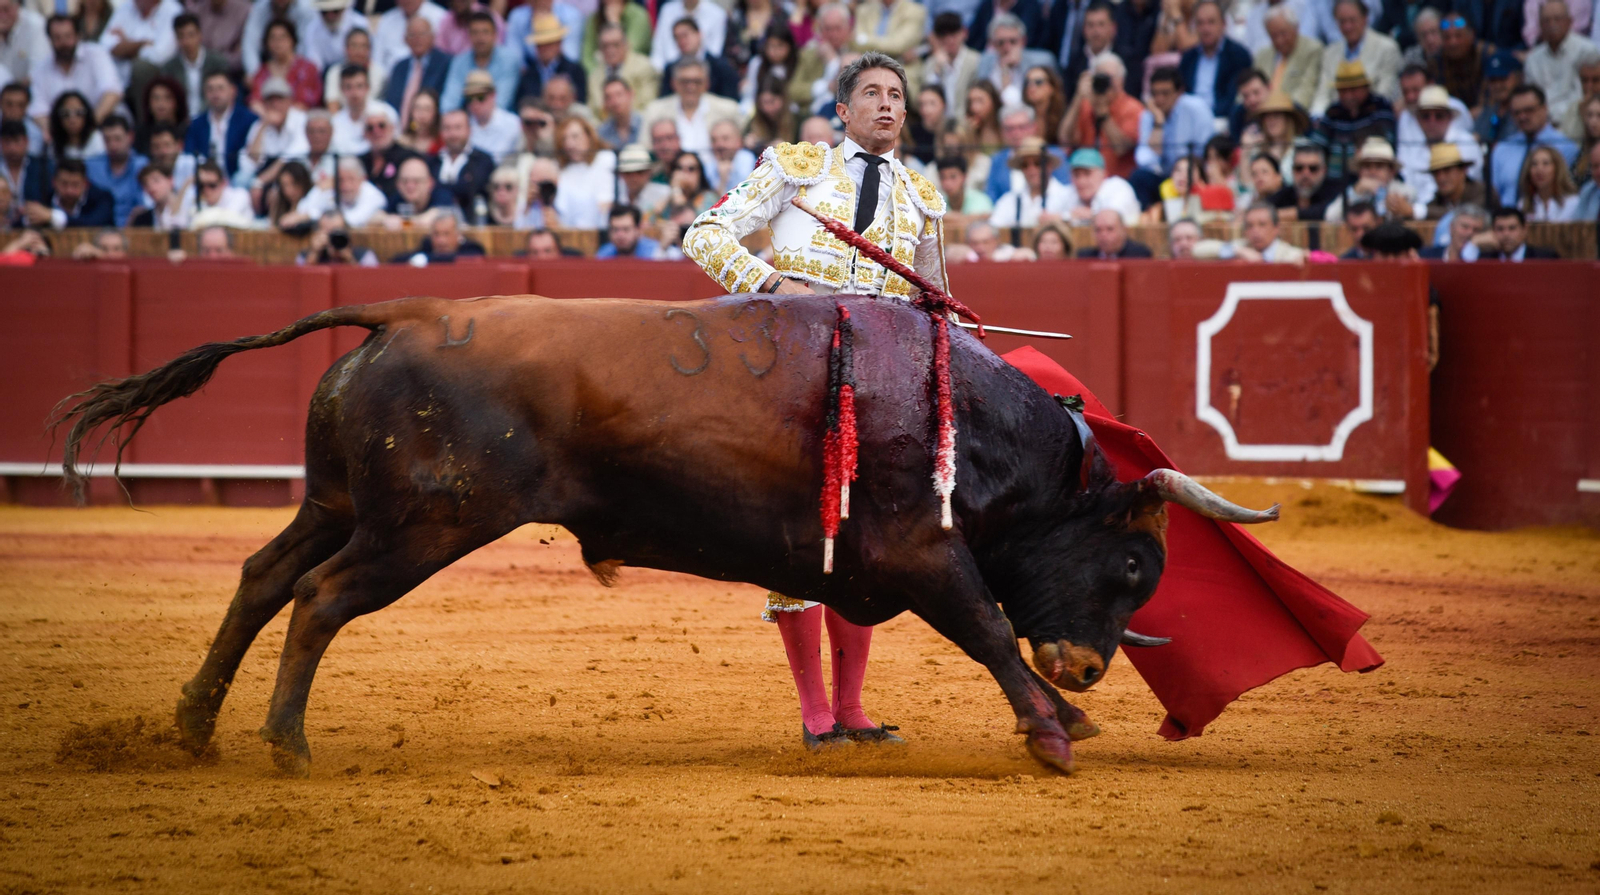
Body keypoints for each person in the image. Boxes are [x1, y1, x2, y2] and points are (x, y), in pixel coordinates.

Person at [683, 51, 949, 749]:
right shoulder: (797, 168)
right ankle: (815, 713)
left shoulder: (923, 199)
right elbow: (703, 234)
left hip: (881, 387)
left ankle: (853, 708)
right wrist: (773, 285)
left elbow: (933, 304)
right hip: (795, 374)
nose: (887, 104)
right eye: (873, 93)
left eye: (896, 94)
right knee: (803, 535)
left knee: (864, 542)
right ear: (842, 110)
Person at [1130, 66, 1214, 208]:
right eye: (1155, 94)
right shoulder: (1149, 115)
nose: (1159, 99)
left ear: (1179, 92)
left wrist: (1184, 172)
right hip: (1166, 176)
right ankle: (1149, 217)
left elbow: (1207, 151)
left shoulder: (1196, 109)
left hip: (1194, 174)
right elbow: (1144, 159)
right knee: (1139, 177)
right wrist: (1158, 123)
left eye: (1165, 93)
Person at [1490, 84, 1580, 208]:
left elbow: (1569, 189)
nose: (1522, 117)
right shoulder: (1502, 148)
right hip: (1506, 216)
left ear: (1545, 108)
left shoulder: (1566, 146)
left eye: (1529, 110)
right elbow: (1495, 193)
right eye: (1516, 113)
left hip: (1550, 216)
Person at [1307, 60, 1395, 182]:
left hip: (1371, 178)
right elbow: (1316, 146)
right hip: (1333, 182)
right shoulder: (1333, 112)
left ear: (1366, 88)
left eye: (1353, 90)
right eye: (1343, 91)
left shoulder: (1380, 107)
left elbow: (1386, 144)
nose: (1348, 96)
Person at [28, 14, 121, 126]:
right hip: (60, 132)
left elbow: (112, 93)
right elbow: (39, 111)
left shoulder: (96, 54)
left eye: (68, 36)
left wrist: (89, 127)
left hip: (100, 124)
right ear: (49, 40)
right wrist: (53, 132)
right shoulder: (41, 68)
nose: (63, 43)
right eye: (57, 38)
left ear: (78, 36)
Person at [1061, 54, 1142, 180]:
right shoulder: (1086, 105)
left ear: (1122, 80)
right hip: (1084, 179)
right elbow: (1065, 138)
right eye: (1100, 77)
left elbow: (1122, 149)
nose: (1106, 83)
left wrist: (1103, 114)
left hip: (1118, 180)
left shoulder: (1133, 108)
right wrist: (1078, 96)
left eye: (1110, 78)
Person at [1312, 0, 1400, 115]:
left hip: (1373, 116)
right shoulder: (1330, 53)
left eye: (1352, 20)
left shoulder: (1387, 48)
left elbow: (1385, 92)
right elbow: (1322, 94)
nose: (1347, 26)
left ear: (1365, 19)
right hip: (1335, 117)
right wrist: (1318, 115)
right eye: (1342, 21)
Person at [643, 56, 739, 154]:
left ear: (707, 83)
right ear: (673, 83)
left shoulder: (728, 110)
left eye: (697, 82)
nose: (691, 87)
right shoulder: (655, 111)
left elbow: (739, 147)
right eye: (685, 82)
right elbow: (645, 149)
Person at [1524, 0, 1596, 125]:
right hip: (1542, 124)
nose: (1552, 24)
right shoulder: (1532, 59)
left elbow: (1590, 95)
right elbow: (1531, 99)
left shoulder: (1587, 51)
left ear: (1569, 21)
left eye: (1557, 19)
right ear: (1540, 24)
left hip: (1578, 121)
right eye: (1546, 20)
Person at [1180, 0, 1253, 118]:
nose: (1205, 29)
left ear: (1223, 24)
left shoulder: (1238, 55)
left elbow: (1234, 97)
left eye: (1211, 22)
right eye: (1200, 23)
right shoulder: (1188, 57)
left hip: (1222, 118)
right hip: (1190, 118)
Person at [440, 10, 520, 114]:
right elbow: (449, 102)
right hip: (466, 118)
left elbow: (501, 103)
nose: (480, 38)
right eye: (475, 32)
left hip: (500, 119)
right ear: (469, 36)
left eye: (485, 32)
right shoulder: (459, 61)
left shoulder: (509, 60)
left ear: (495, 35)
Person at [184, 69, 258, 178]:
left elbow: (252, 158)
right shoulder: (196, 124)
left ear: (233, 91)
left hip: (237, 180)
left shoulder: (249, 120)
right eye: (210, 89)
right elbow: (190, 154)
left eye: (220, 88)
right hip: (205, 180)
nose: (215, 94)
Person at [239, 76, 309, 185]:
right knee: (240, 179)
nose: (275, 104)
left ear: (289, 101)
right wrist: (264, 124)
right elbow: (252, 160)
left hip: (295, 176)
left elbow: (292, 156)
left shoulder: (301, 119)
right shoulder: (259, 124)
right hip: (265, 174)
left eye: (280, 99)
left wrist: (260, 181)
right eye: (270, 100)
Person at [990, 135, 1073, 227]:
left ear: (1049, 166)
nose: (1031, 170)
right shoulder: (1009, 200)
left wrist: (1061, 218)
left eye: (1037, 163)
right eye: (1025, 165)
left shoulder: (1068, 196)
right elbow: (993, 227)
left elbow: (1081, 219)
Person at [975, 13, 1053, 109]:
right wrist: (1005, 70)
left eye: (1013, 41)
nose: (1007, 48)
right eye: (1001, 42)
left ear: (1023, 41)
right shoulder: (983, 62)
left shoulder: (1042, 61)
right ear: (993, 44)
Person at [384, 15, 451, 126]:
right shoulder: (399, 67)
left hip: (432, 128)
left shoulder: (445, 63)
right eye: (412, 35)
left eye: (422, 34)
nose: (417, 39)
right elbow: (390, 102)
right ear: (405, 39)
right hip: (398, 129)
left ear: (433, 37)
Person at [1255, 4, 1322, 111]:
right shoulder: (1262, 55)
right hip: (1262, 112)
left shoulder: (1312, 50)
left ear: (1296, 28)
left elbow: (1306, 90)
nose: (1279, 40)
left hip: (1293, 112)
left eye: (1283, 33)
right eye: (1273, 36)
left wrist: (1279, 111)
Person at [160, 13, 228, 116]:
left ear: (200, 35)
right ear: (176, 39)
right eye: (181, 36)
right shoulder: (169, 68)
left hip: (212, 116)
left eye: (191, 35)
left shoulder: (218, 62)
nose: (186, 41)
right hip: (181, 119)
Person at [1193, 200, 1307, 261]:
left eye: (1262, 225)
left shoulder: (1291, 255)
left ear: (1276, 228)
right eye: (1249, 226)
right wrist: (1238, 251)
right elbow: (1197, 249)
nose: (1255, 231)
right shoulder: (1240, 247)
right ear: (1245, 231)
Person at [431, 108, 493, 220]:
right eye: (447, 128)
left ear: (469, 130)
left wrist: (438, 188)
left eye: (458, 127)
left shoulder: (482, 160)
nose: (453, 134)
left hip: (471, 223)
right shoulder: (432, 161)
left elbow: (472, 190)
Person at [84, 114, 145, 225]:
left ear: (130, 137)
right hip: (96, 228)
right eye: (107, 140)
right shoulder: (90, 166)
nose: (112, 145)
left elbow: (145, 205)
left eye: (117, 139)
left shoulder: (143, 165)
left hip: (134, 229)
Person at [553, 114, 613, 227]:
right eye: (564, 139)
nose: (569, 144)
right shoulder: (561, 171)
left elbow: (607, 202)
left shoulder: (606, 159)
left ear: (589, 136)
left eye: (575, 136)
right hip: (571, 231)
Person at [250, 17, 322, 110]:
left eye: (282, 37)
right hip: (267, 116)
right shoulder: (262, 72)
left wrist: (281, 115)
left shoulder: (307, 68)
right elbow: (255, 100)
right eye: (273, 38)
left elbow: (306, 102)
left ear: (292, 40)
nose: (278, 42)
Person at [1427, 14, 1495, 111]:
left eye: (1458, 36)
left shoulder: (1487, 54)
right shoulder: (1435, 62)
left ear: (1471, 35)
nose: (1453, 42)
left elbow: (1490, 100)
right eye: (1447, 37)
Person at [659, 17, 737, 100]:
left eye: (685, 35)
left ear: (699, 34)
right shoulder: (670, 68)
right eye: (677, 37)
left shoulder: (722, 67)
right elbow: (665, 99)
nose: (681, 41)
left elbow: (729, 100)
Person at [1424, 143, 1488, 244]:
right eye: (1436, 173)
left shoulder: (1483, 192)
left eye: (1447, 170)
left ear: (1464, 171)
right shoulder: (1437, 200)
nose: (1441, 178)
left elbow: (1464, 213)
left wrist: (1417, 211)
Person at [588, 22, 654, 118]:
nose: (610, 50)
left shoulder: (644, 67)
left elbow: (648, 106)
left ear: (626, 44)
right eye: (605, 46)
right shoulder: (594, 76)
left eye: (615, 45)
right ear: (599, 49)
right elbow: (592, 112)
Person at [922, 12, 979, 121]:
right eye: (943, 35)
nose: (949, 39)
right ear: (936, 38)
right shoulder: (931, 63)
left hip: (968, 122)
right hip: (940, 124)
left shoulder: (975, 61)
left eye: (953, 33)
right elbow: (927, 96)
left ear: (964, 33)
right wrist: (937, 69)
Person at [22, 156, 111, 227]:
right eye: (64, 184)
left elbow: (94, 224)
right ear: (54, 182)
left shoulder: (102, 198)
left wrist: (52, 217)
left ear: (85, 184)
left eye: (75, 184)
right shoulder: (44, 197)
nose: (69, 190)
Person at [1061, 146, 1139, 225]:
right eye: (1076, 175)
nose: (1081, 181)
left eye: (1087, 174)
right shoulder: (1069, 192)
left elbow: (1112, 219)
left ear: (1104, 174)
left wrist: (1085, 215)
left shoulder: (1118, 187)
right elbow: (1053, 216)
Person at [305, 155, 388, 225]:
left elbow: (354, 221)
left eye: (351, 179)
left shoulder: (374, 196)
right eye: (341, 180)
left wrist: (315, 216)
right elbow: (304, 209)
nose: (345, 186)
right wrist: (319, 189)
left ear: (362, 179)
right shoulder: (332, 189)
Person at [373, 0, 445, 76]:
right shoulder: (386, 20)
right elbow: (377, 60)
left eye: (422, 34)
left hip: (429, 76)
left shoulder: (441, 17)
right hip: (389, 78)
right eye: (412, 35)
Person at [650, 0, 726, 72]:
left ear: (699, 34)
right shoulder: (667, 10)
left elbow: (715, 51)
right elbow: (659, 50)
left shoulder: (718, 14)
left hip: (705, 71)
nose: (682, 41)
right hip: (670, 70)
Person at [461, 68, 519, 160]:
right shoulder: (463, 127)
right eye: (470, 98)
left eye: (480, 97)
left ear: (493, 95)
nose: (475, 104)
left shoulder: (514, 125)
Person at [1462, 207, 1561, 260]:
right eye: (1500, 229)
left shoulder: (1544, 258)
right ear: (1492, 231)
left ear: (1524, 230)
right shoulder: (1485, 259)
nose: (1506, 234)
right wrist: (1473, 243)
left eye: (1512, 228)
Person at [393, 207, 484, 263]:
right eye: (436, 234)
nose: (441, 240)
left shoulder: (472, 249)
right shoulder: (427, 247)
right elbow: (396, 261)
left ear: (458, 235)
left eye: (446, 234)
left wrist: (427, 259)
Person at [325, 28, 385, 112]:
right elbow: (332, 105)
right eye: (354, 46)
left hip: (372, 116)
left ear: (370, 49)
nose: (359, 51)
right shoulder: (334, 72)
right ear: (346, 48)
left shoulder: (380, 73)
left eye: (363, 46)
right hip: (343, 117)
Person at [1518, 143, 1581, 220]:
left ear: (1557, 169)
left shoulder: (1572, 202)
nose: (1539, 170)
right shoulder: (1523, 205)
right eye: (1534, 164)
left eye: (1546, 163)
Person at [1474, 50, 1523, 143]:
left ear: (1518, 77)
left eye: (1502, 78)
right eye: (1493, 80)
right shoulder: (1487, 113)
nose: (1497, 85)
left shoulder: (1526, 112)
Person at [297, 209, 378, 265]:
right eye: (328, 233)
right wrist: (314, 253)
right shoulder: (304, 256)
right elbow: (301, 280)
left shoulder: (364, 256)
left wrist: (349, 259)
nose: (333, 237)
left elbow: (369, 280)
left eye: (337, 231)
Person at [612, 143, 668, 220]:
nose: (634, 178)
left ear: (649, 173)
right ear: (621, 175)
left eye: (639, 172)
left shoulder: (665, 194)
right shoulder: (615, 196)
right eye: (628, 173)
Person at [1420, 201, 1487, 259]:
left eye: (1476, 230)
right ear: (1451, 227)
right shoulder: (1427, 257)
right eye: (1465, 227)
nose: (1470, 233)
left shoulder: (1486, 260)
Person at [46, 89, 100, 159]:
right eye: (65, 114)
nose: (72, 120)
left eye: (79, 113)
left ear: (87, 115)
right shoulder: (53, 144)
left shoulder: (96, 139)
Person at [1077, 207, 1153, 257]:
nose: (1103, 235)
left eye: (1110, 229)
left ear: (1123, 230)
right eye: (1098, 230)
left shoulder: (1138, 255)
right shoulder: (1084, 257)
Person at [595, 203, 659, 257]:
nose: (620, 235)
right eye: (615, 230)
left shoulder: (655, 253)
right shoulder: (604, 254)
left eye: (626, 229)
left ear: (638, 229)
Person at [397, 87, 442, 153]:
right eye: (417, 108)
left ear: (436, 112)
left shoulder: (442, 143)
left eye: (427, 109)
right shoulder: (401, 142)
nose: (422, 114)